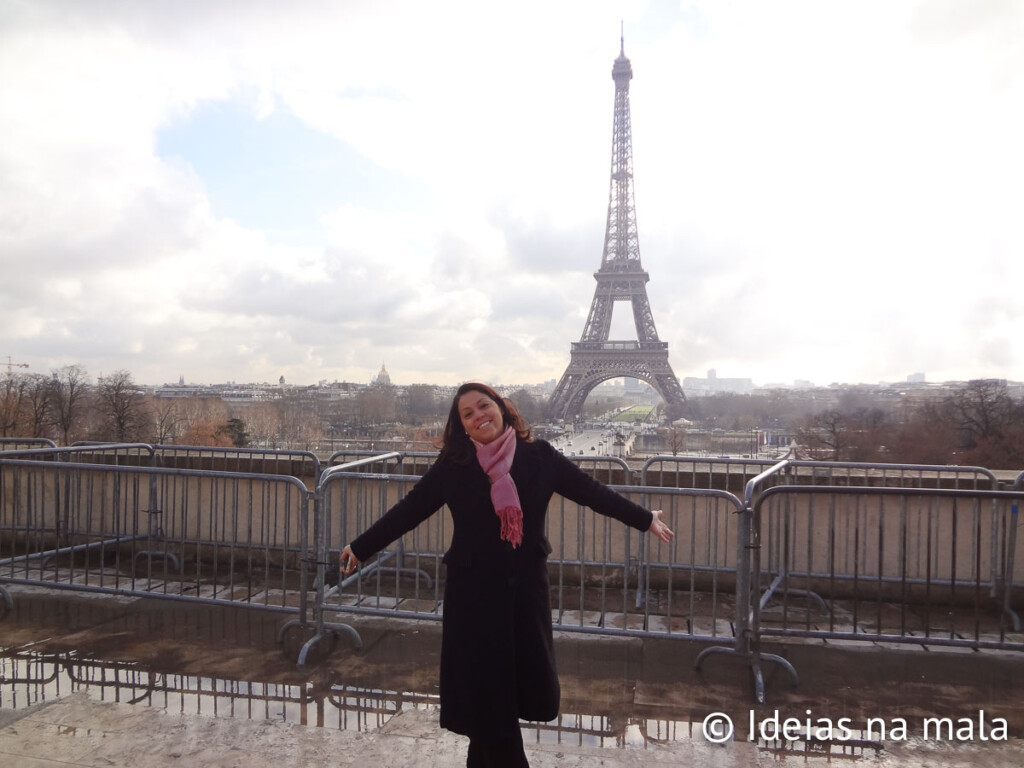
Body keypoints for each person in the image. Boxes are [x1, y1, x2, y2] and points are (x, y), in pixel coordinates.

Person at [340, 382, 674, 768]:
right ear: (462, 426)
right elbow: (410, 509)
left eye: (484, 406)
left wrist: (644, 518)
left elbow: (592, 493)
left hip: (523, 597)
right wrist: (361, 547)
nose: (479, 415)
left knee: (495, 705)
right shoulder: (454, 465)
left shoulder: (540, 457)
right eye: (468, 413)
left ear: (502, 408)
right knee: (492, 705)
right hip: (473, 599)